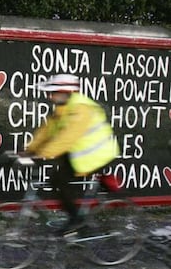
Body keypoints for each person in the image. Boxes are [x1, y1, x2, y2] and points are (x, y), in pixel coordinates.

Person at [24, 74, 119, 235]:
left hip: (96, 155)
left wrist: (42, 154)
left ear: (66, 92)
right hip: (80, 154)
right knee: (56, 180)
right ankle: (77, 217)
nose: (50, 96)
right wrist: (28, 150)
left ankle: (76, 221)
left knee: (60, 181)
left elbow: (67, 137)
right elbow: (46, 131)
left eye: (54, 92)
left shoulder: (81, 109)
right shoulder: (62, 109)